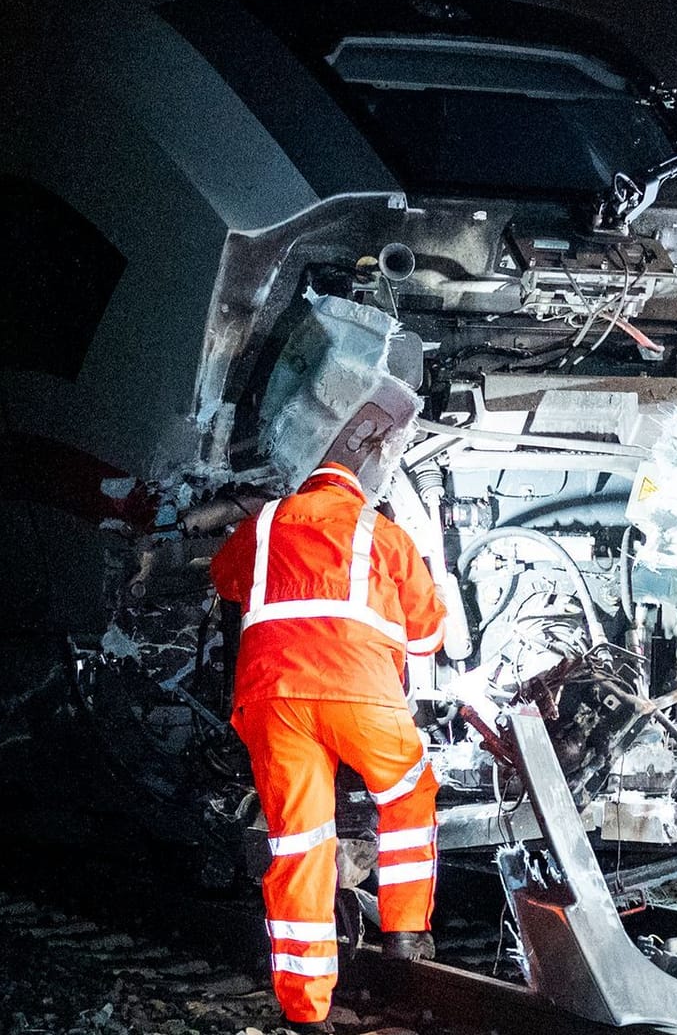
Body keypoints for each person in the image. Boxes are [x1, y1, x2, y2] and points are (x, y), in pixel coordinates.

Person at [210, 417, 446, 1034]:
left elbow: (224, 581)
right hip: (359, 697)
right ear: (359, 488)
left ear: (307, 480)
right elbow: (430, 635)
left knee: (299, 844)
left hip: (276, 701)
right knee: (409, 791)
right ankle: (406, 931)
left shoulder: (263, 523)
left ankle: (305, 1012)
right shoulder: (383, 532)